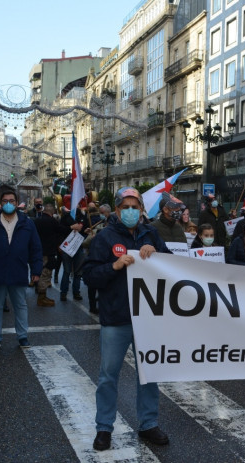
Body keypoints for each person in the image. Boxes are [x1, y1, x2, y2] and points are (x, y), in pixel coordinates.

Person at [82, 187, 170, 450]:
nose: (131, 211)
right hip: (116, 317)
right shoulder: (105, 238)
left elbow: (173, 267)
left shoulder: (152, 234)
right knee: (109, 375)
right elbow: (88, 275)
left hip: (147, 317)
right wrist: (114, 266)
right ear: (118, 211)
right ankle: (104, 428)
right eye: (126, 207)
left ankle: (148, 424)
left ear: (141, 209)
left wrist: (155, 253)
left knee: (148, 374)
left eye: (136, 206)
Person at [0, 188, 42, 350]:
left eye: (12, 201)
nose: (8, 204)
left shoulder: (27, 223)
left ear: (17, 203)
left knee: (20, 305)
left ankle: (22, 336)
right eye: (5, 201)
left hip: (18, 270)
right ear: (0, 203)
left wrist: (36, 270)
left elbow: (35, 248)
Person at [35, 204, 82, 308]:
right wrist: (72, 227)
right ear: (52, 213)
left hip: (38, 251)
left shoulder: (36, 220)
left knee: (40, 273)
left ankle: (42, 295)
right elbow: (61, 229)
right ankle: (41, 298)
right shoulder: (51, 221)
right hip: (48, 252)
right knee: (45, 274)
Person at [59, 195, 90, 302]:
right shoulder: (65, 216)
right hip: (67, 247)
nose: (77, 205)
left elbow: (85, 229)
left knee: (78, 272)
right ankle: (63, 293)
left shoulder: (83, 216)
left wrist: (86, 231)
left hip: (79, 246)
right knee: (67, 271)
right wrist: (71, 228)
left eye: (77, 203)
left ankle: (76, 292)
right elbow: (60, 230)